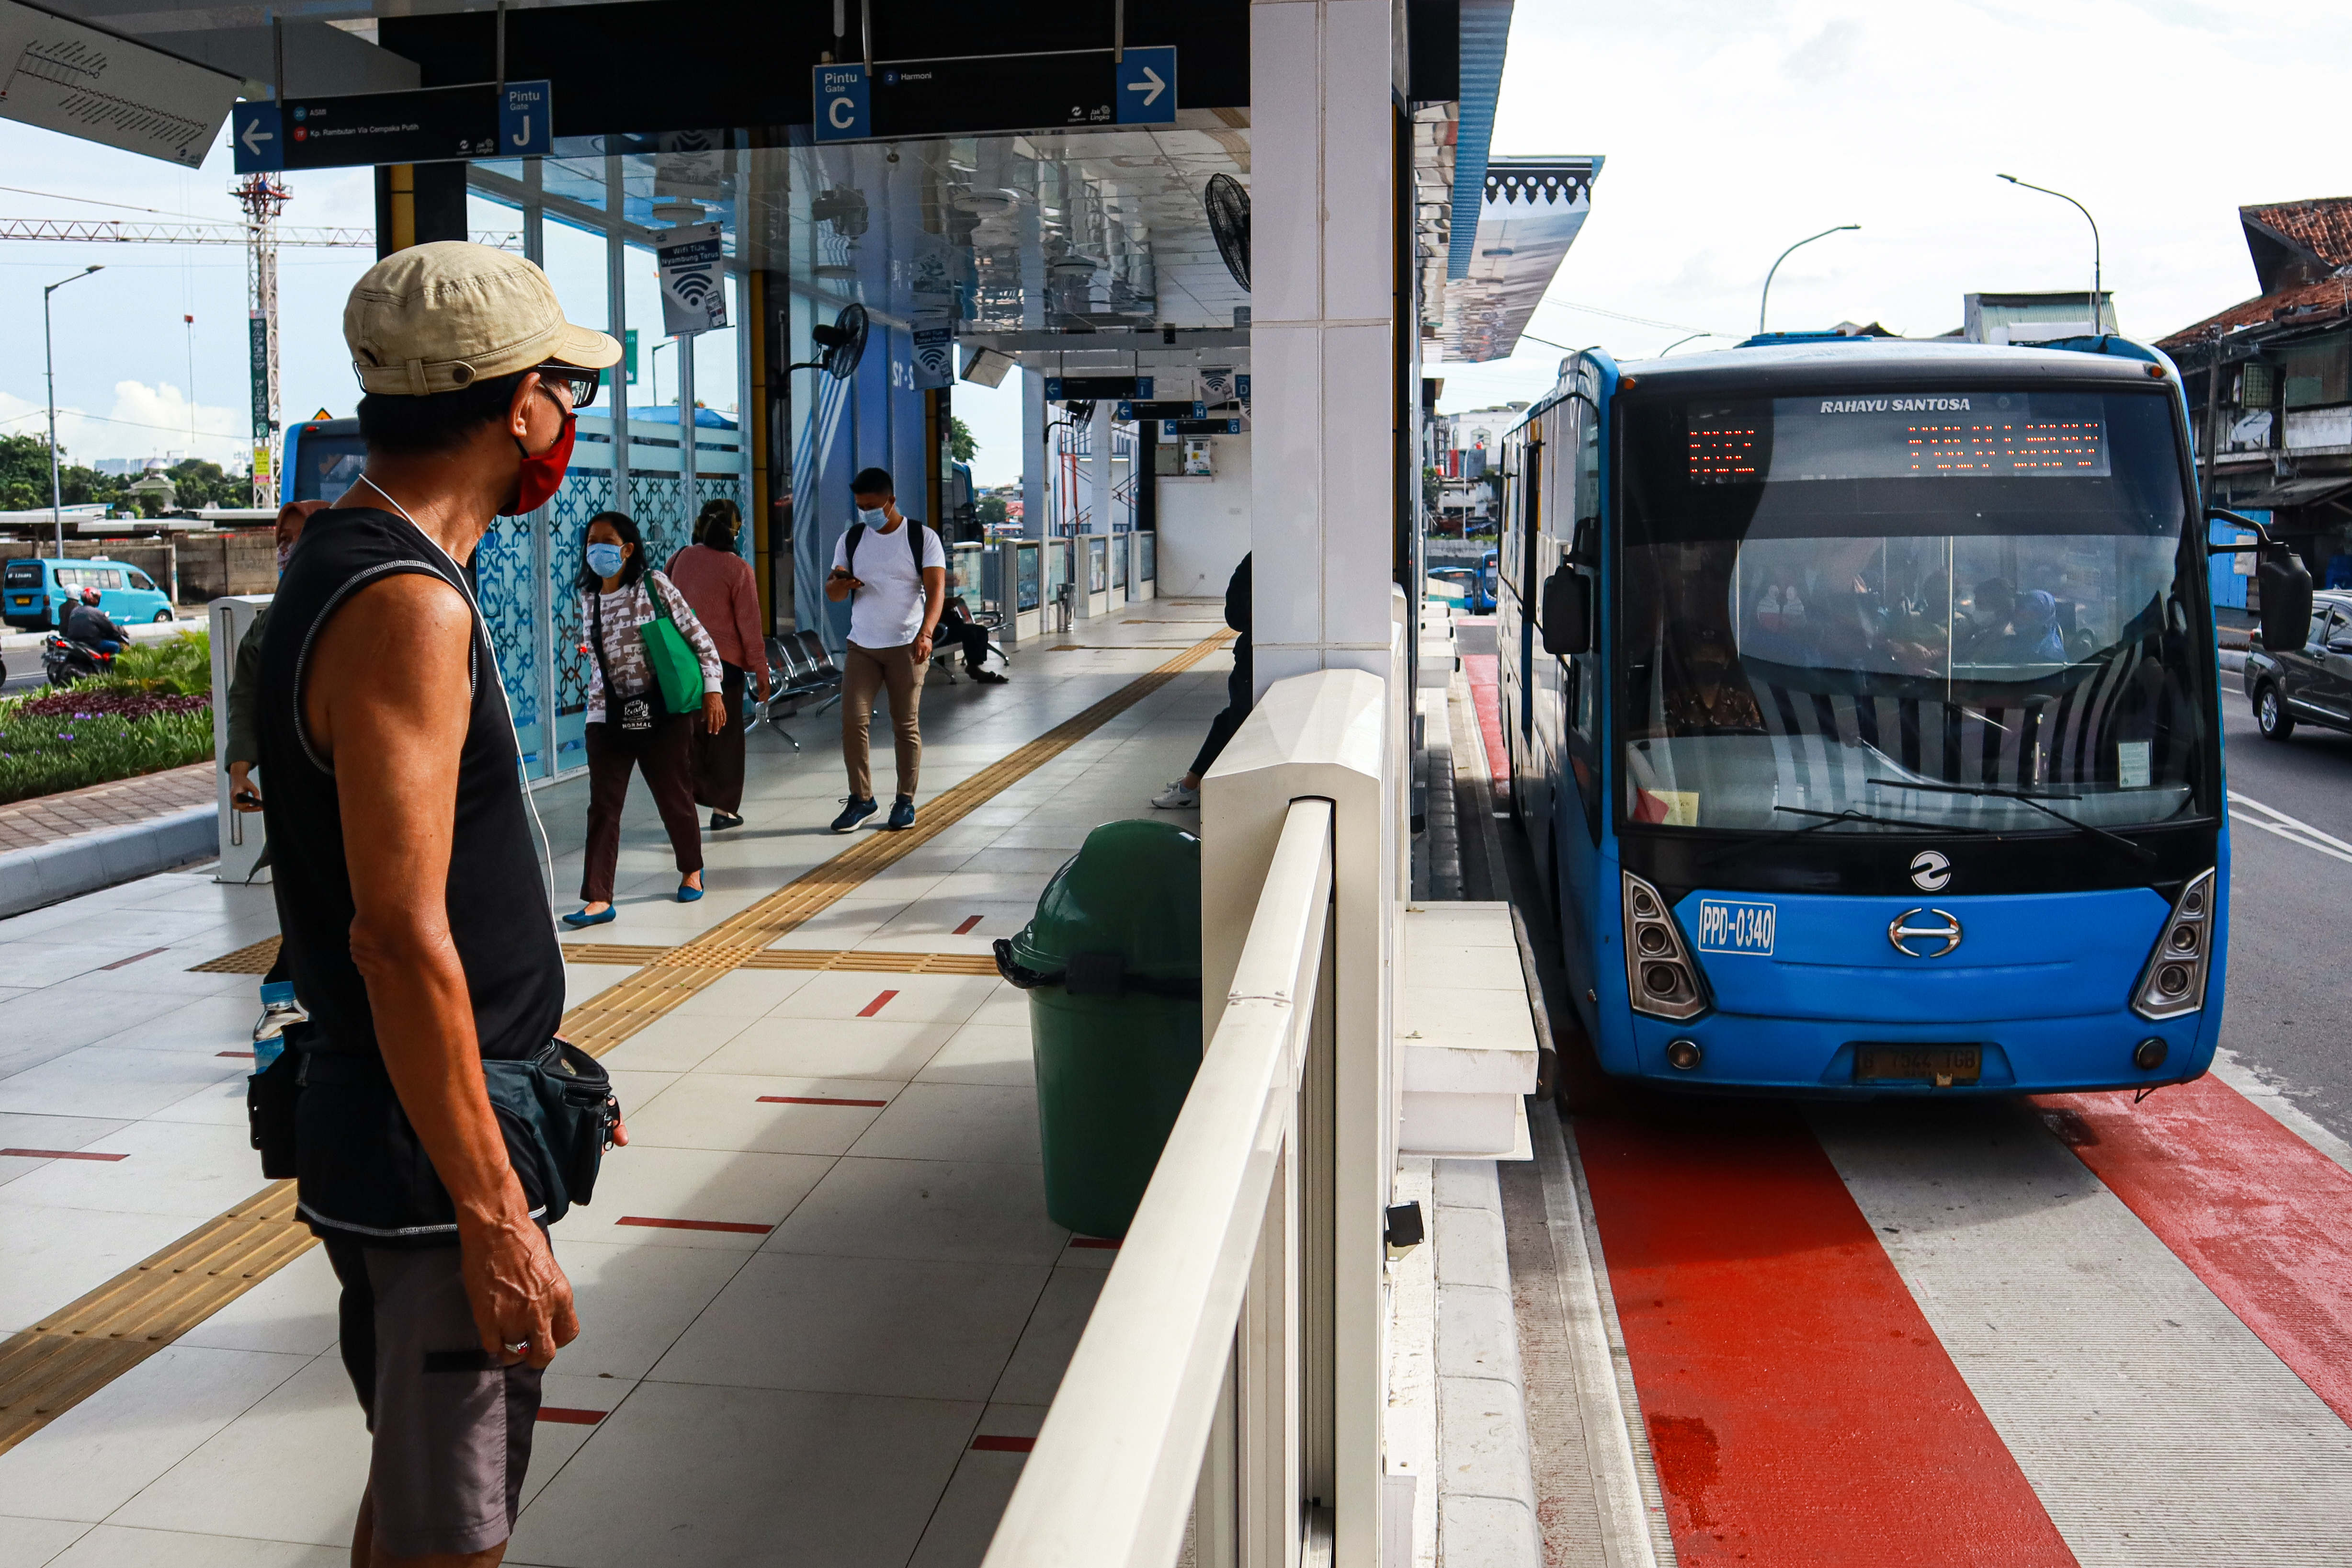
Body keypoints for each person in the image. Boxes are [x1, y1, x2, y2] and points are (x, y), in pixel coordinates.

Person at [255, 239, 625, 1568]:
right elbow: (396, 934)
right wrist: (494, 1212)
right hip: (423, 1161)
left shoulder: (356, 559)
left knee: (414, 1502)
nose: (567, 421)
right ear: (517, 403)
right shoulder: (405, 601)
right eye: (563, 392)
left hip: (421, 1115)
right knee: (453, 1534)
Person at [568, 510, 727, 927]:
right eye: (590, 542)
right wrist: (596, 714)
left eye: (605, 541)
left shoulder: (654, 585)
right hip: (608, 715)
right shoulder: (588, 599)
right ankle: (598, 898)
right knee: (603, 806)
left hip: (663, 710)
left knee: (673, 794)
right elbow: (598, 665)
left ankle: (691, 868)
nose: (596, 550)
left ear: (627, 549)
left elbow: (700, 639)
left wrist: (713, 690)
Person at [223, 497, 332, 1049]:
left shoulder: (351, 603)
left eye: (299, 535)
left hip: (347, 783)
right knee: (309, 895)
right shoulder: (270, 620)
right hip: (296, 790)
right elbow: (245, 695)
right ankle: (285, 1000)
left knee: (337, 899)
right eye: (281, 540)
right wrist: (240, 768)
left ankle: (292, 1000)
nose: (288, 549)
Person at [825, 466, 945, 831]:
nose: (867, 512)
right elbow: (832, 591)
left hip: (906, 645)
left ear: (891, 501)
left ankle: (905, 801)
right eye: (861, 506)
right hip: (862, 644)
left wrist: (926, 634)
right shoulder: (851, 539)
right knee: (852, 722)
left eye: (873, 505)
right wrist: (843, 586)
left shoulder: (921, 538)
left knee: (904, 724)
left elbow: (936, 590)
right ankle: (862, 800)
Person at [666, 498, 770, 831]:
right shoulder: (738, 569)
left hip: (681, 663)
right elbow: (749, 627)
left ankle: (690, 798)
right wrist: (761, 670)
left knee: (688, 736)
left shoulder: (678, 558)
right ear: (735, 530)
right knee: (724, 738)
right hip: (724, 667)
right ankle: (723, 810)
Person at [1152, 553, 1251, 809]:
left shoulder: (1259, 559)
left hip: (1254, 658)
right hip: (1260, 657)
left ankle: (1191, 786)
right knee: (1231, 720)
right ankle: (1194, 781)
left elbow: (1236, 617)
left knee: (1231, 721)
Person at [938, 589, 1008, 683]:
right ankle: (973, 668)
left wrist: (948, 604)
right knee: (969, 634)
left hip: (950, 625)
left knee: (981, 630)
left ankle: (975, 665)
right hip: (940, 629)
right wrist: (944, 605)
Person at [60, 586, 124, 653]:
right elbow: (110, 627)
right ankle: (113, 663)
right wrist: (120, 631)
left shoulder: (75, 610)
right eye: (97, 598)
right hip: (91, 643)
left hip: (74, 642)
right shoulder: (95, 612)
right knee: (116, 646)